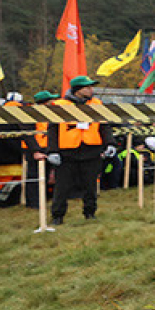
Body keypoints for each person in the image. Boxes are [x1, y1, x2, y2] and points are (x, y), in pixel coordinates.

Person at [46, 75, 117, 224]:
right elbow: (52, 129)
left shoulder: (97, 104)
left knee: (91, 186)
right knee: (62, 187)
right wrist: (52, 151)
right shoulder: (58, 105)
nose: (92, 90)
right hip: (67, 152)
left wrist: (110, 143)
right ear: (78, 90)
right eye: (88, 87)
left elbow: (104, 126)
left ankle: (90, 213)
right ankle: (57, 216)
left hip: (91, 150)